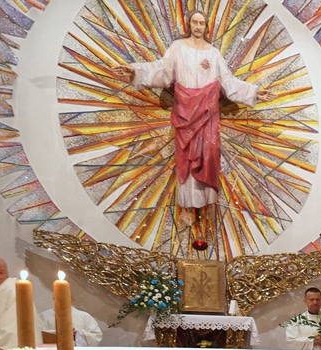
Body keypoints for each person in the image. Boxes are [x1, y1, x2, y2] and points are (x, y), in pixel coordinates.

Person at [112, 10, 269, 214]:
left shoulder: (213, 53)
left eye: (201, 23)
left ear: (206, 27)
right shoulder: (178, 48)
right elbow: (162, 70)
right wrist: (136, 70)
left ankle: (208, 202)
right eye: (194, 22)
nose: (198, 26)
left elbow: (228, 82)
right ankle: (187, 205)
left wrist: (254, 92)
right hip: (185, 113)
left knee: (209, 154)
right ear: (189, 25)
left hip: (208, 114)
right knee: (185, 157)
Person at [39, 296, 104, 347]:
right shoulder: (43, 316)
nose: (63, 299)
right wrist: (62, 333)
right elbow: (39, 334)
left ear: (72, 299)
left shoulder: (84, 316)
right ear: (54, 298)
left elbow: (96, 335)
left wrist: (77, 333)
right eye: (60, 297)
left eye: (67, 296)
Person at [283, 286, 321, 350]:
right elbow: (291, 342)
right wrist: (312, 341)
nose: (315, 302)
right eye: (311, 299)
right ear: (305, 301)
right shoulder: (295, 322)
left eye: (317, 299)